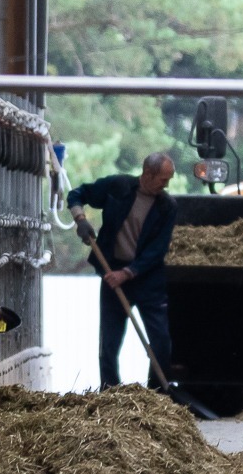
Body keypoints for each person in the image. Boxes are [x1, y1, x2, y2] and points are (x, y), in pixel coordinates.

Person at [66, 154, 177, 390]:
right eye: (162, 179)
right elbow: (77, 195)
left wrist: (127, 273)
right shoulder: (118, 187)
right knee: (109, 343)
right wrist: (81, 219)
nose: (165, 185)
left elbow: (157, 251)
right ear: (147, 174)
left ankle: (157, 395)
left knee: (160, 342)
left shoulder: (167, 207)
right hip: (112, 274)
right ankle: (110, 392)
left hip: (147, 281)